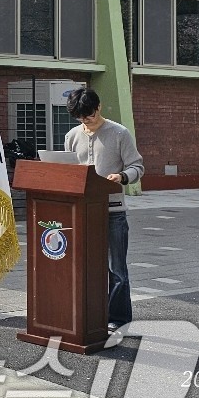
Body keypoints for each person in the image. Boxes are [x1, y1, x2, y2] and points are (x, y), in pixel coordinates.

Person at [63, 88, 144, 334]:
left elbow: (137, 166)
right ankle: (88, 313)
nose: (84, 121)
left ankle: (118, 319)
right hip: (82, 210)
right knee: (82, 265)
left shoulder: (119, 133)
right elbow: (68, 169)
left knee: (116, 268)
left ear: (99, 107)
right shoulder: (72, 135)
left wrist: (122, 176)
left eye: (88, 115)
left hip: (113, 211)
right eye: (79, 117)